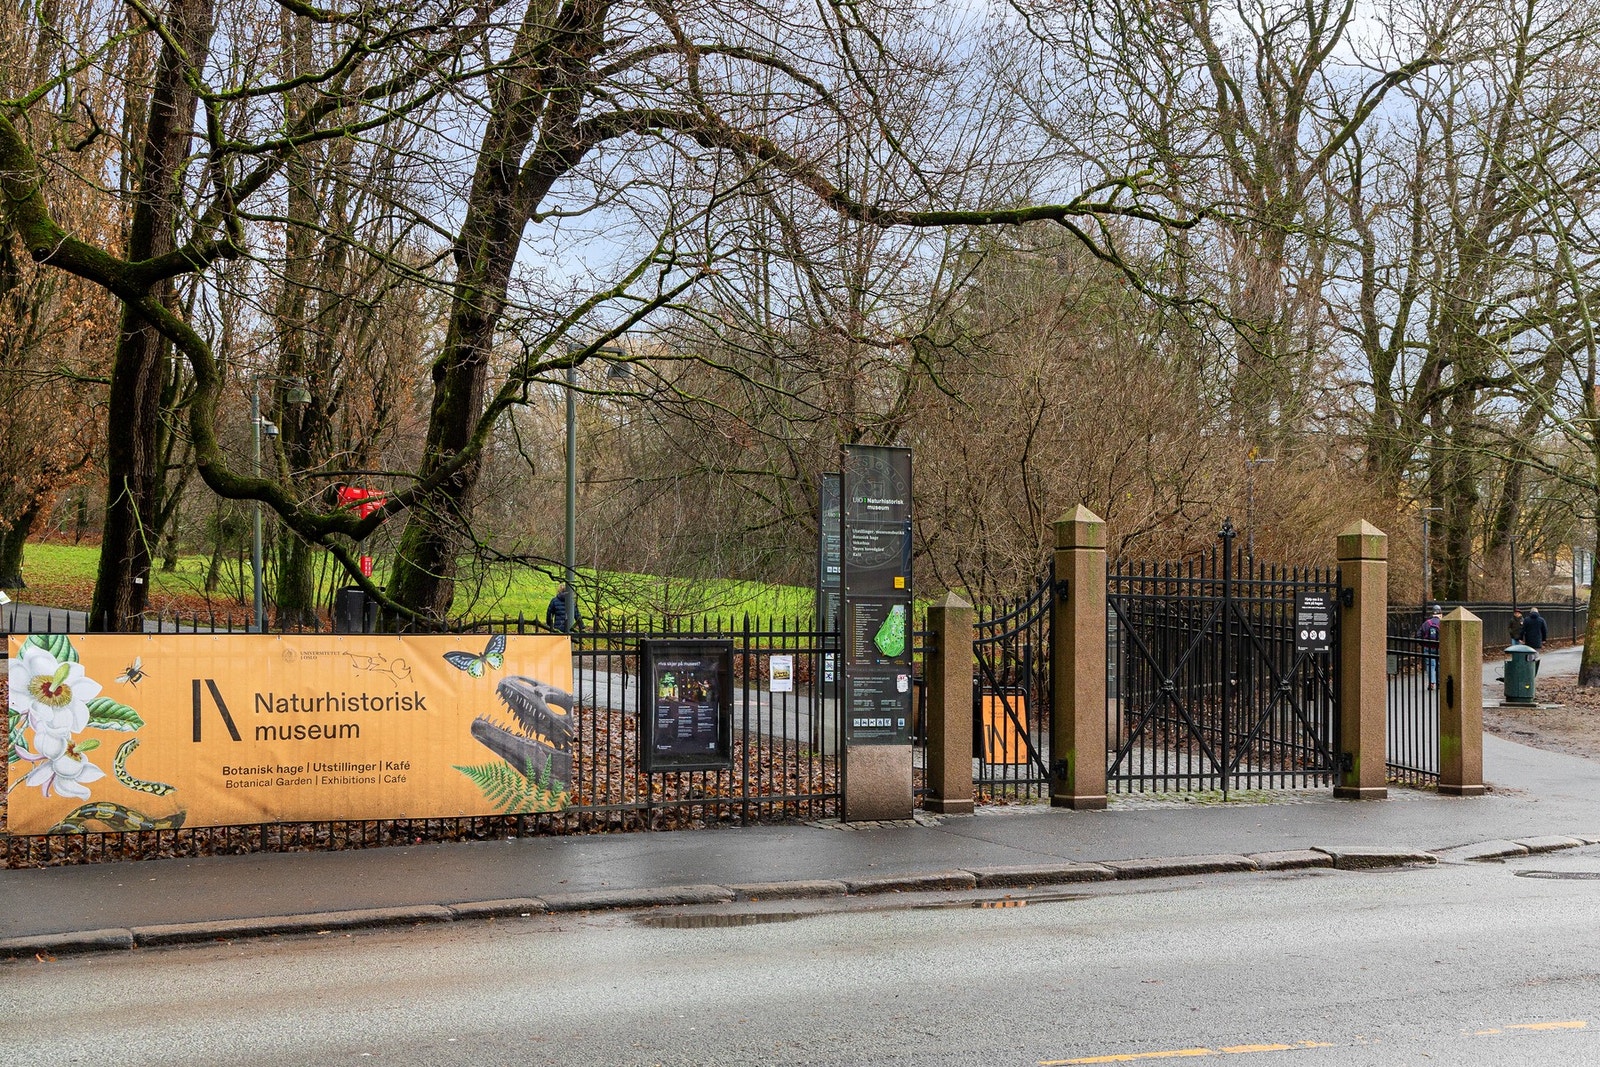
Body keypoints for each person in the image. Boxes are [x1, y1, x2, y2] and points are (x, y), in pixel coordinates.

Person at [1417, 605, 1442, 689]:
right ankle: (1439, 683)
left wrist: (1423, 644)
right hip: (1439, 648)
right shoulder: (1443, 623)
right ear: (1440, 614)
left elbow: (1418, 635)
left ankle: (1431, 682)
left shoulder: (1427, 623)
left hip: (1428, 647)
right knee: (1439, 665)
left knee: (1430, 665)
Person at [1521, 605, 1548, 672]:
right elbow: (1544, 630)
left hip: (1529, 640)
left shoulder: (1526, 620)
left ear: (1530, 612)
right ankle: (1535, 669)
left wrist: (1521, 638)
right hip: (1537, 640)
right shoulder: (1541, 620)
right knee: (1536, 654)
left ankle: (1529, 669)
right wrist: (1544, 639)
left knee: (1529, 654)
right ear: (1537, 612)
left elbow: (1522, 630)